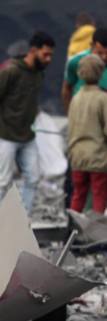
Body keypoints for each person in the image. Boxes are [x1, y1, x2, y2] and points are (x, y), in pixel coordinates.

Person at [0, 31, 55, 214]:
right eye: (45, 55)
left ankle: (23, 218)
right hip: (5, 134)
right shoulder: (10, 71)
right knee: (4, 179)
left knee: (33, 178)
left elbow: (29, 97)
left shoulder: (38, 73)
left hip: (26, 136)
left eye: (50, 55)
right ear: (33, 51)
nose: (48, 59)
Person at [67, 54, 107, 213]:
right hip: (97, 158)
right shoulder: (103, 98)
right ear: (100, 72)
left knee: (78, 195)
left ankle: (72, 226)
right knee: (99, 195)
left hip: (77, 157)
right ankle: (96, 228)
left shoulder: (75, 98)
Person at [62, 27, 107, 114]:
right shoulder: (75, 62)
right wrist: (70, 115)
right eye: (100, 52)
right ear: (91, 44)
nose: (104, 57)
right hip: (82, 115)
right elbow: (67, 88)